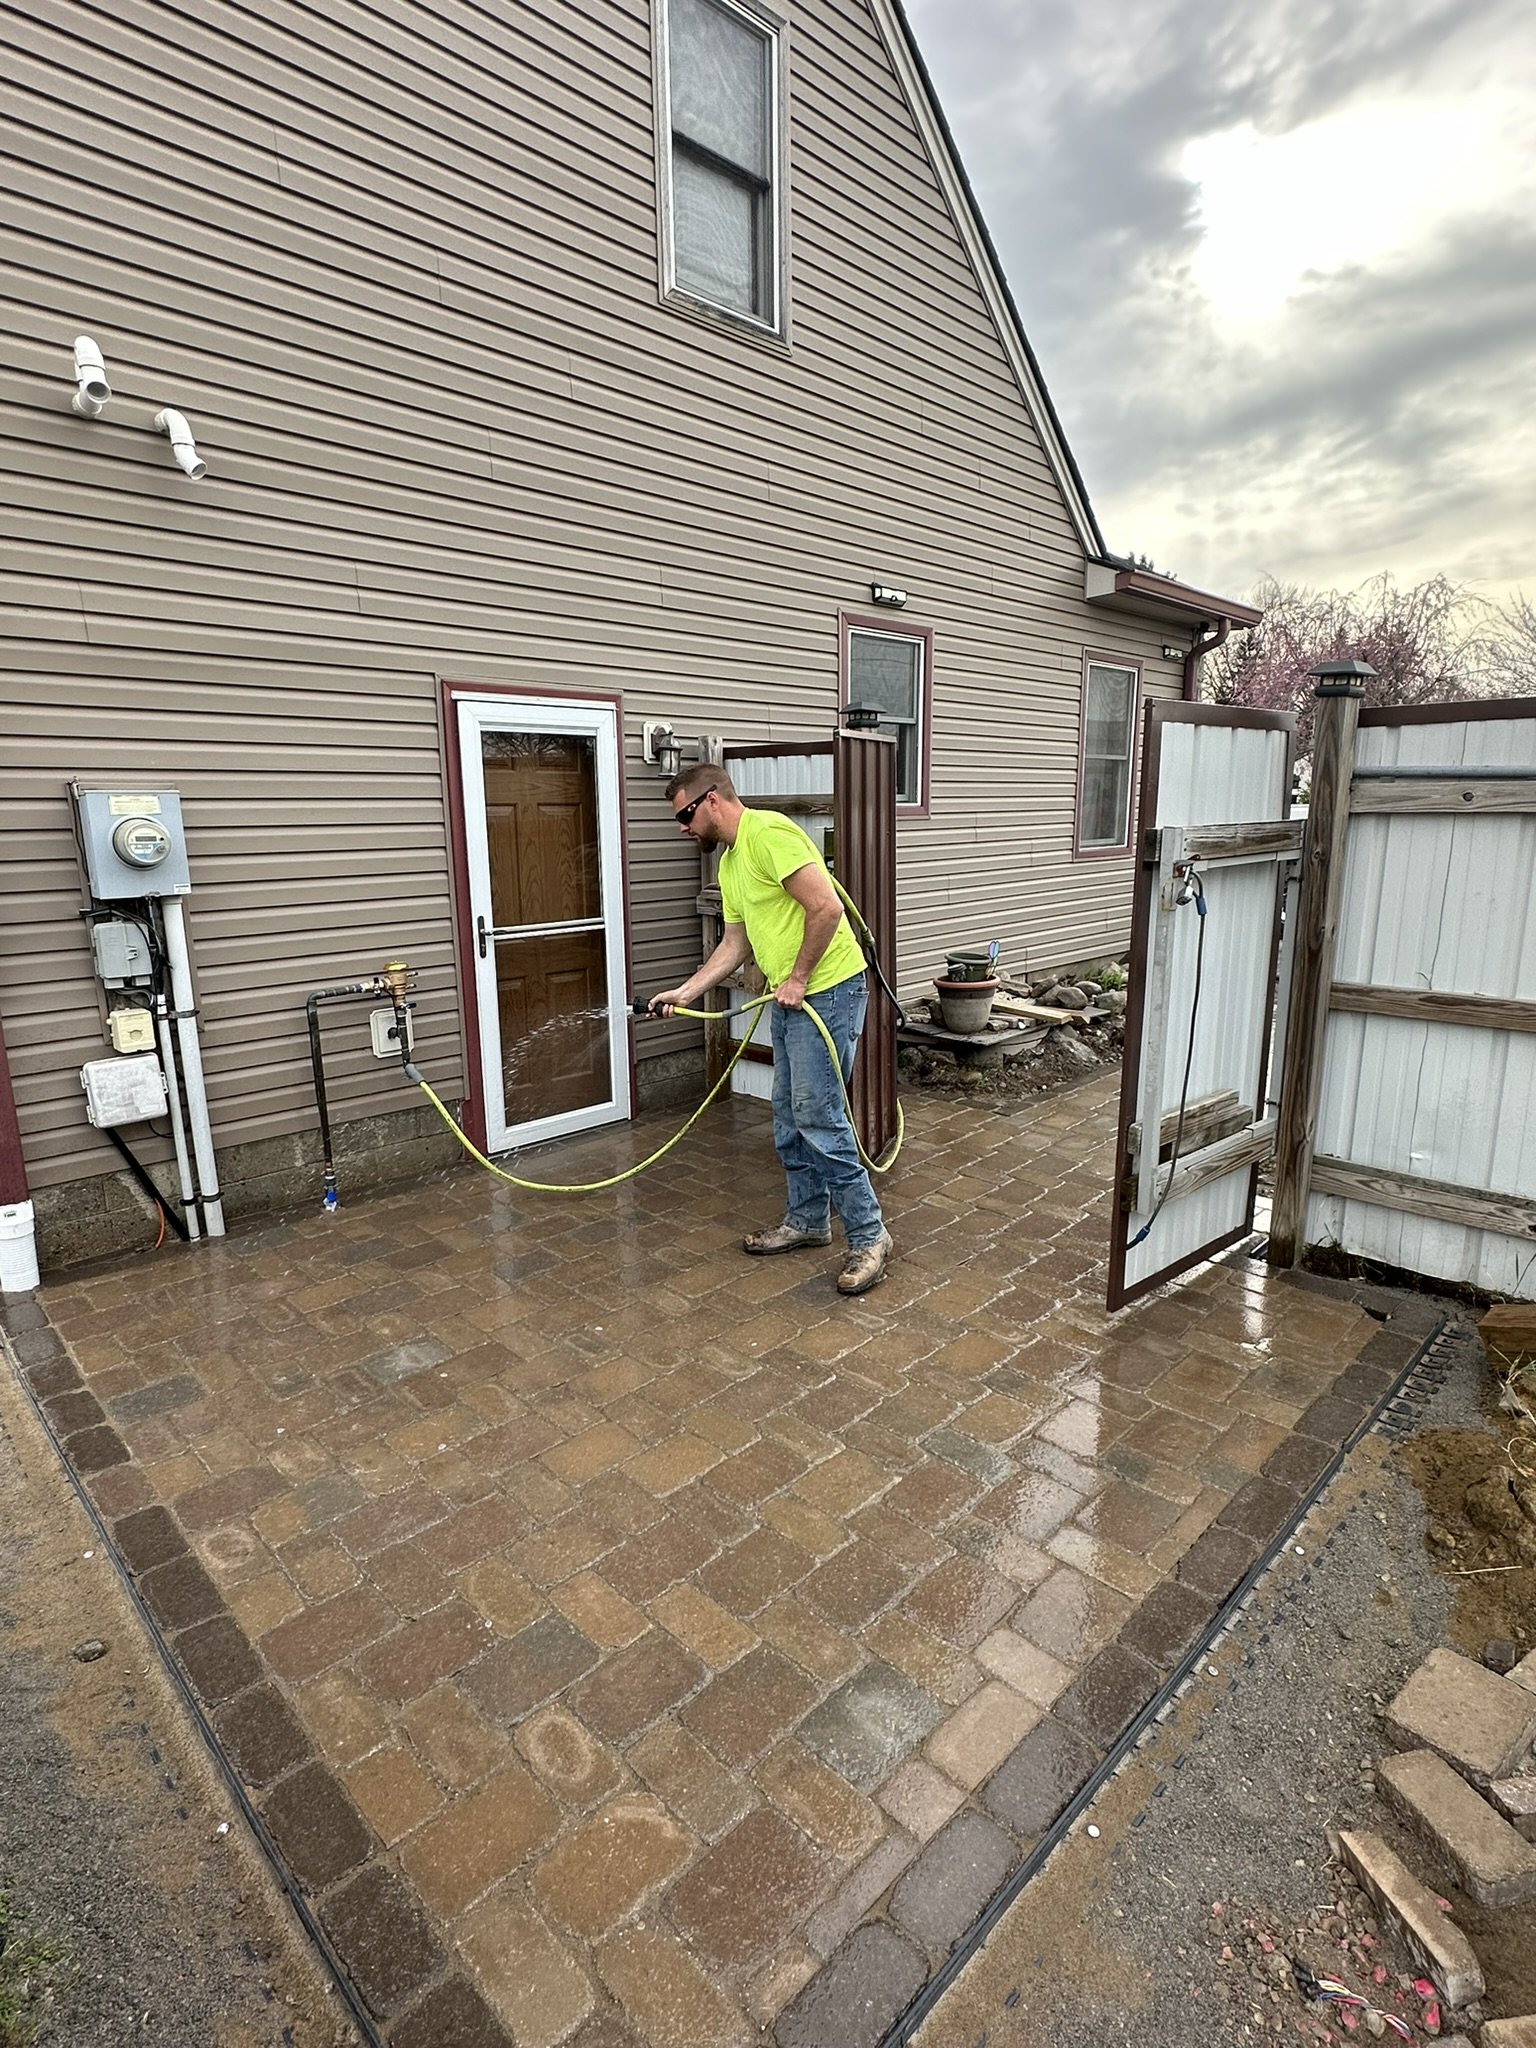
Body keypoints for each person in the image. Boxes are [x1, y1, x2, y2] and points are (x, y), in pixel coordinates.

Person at [649, 765, 893, 1297]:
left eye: (685, 816)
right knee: (787, 1115)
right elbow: (734, 945)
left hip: (827, 991)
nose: (683, 828)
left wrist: (800, 977)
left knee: (820, 1118)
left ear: (712, 801)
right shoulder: (733, 862)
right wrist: (687, 992)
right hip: (792, 997)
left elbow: (826, 908)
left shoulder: (770, 835)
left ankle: (869, 1235)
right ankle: (807, 1220)